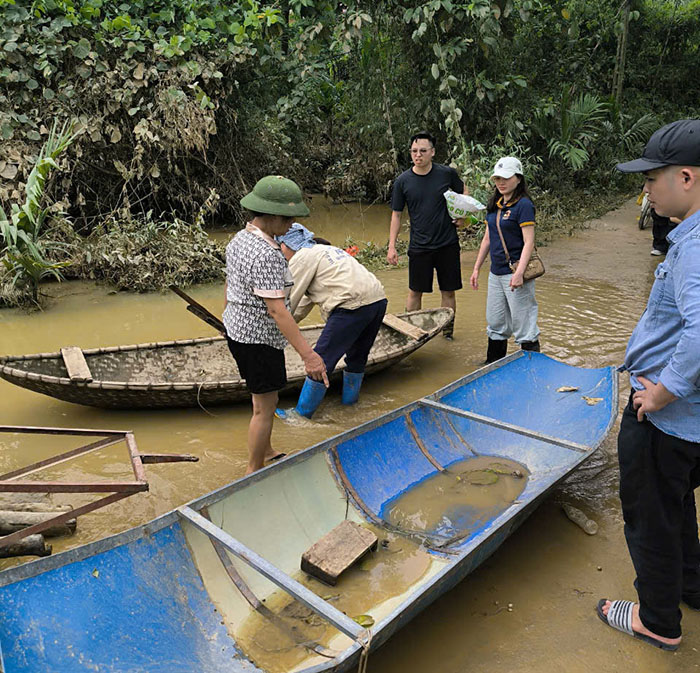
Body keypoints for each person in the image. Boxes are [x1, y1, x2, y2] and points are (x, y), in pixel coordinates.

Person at [597, 119, 700, 651]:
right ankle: (689, 587)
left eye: (651, 179)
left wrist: (660, 393)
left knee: (650, 516)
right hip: (692, 425)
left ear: (686, 176)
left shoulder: (696, 245)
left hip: (668, 417)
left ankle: (657, 621)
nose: (646, 189)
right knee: (678, 502)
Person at [223, 176, 328, 474]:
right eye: (288, 218)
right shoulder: (268, 254)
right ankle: (253, 469)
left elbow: (232, 285)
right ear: (270, 215)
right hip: (258, 340)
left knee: (266, 399)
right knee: (264, 408)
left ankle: (266, 450)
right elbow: (277, 311)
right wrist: (309, 355)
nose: (292, 225)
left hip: (238, 330)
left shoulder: (240, 239)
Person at [275, 223, 387, 419]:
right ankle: (350, 405)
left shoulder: (301, 257)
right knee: (357, 356)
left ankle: (301, 416)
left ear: (285, 244)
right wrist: (283, 326)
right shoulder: (325, 250)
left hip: (350, 304)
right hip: (377, 300)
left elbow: (286, 303)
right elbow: (300, 306)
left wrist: (270, 327)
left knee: (320, 359)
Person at [387, 131, 466, 339]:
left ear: (432, 152)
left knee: (448, 292)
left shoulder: (446, 174)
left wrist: (462, 215)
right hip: (420, 246)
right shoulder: (402, 181)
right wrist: (392, 247)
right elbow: (396, 215)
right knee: (415, 291)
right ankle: (410, 334)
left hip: (447, 243)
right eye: (414, 151)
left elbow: (463, 192)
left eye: (423, 151)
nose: (418, 155)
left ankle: (447, 334)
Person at [469, 157, 540, 363]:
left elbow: (529, 242)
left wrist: (519, 274)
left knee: (524, 325)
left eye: (506, 178)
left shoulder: (524, 205)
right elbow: (488, 237)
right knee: (496, 322)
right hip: (496, 273)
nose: (501, 182)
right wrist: (476, 268)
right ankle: (492, 365)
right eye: (498, 178)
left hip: (515, 271)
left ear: (518, 179)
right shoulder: (496, 204)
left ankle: (532, 368)